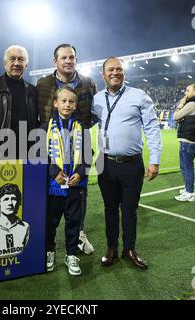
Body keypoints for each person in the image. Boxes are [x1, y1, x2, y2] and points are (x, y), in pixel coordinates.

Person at [92, 57, 162, 270]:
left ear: (124, 73)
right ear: (103, 75)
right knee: (110, 208)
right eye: (110, 70)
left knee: (129, 210)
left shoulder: (139, 96)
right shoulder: (95, 99)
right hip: (105, 162)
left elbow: (151, 127)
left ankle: (129, 249)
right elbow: (83, 123)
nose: (115, 73)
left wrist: (155, 159)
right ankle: (111, 248)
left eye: (119, 69)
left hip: (132, 164)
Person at [36, 43, 97, 256]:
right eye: (64, 57)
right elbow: (36, 112)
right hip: (52, 145)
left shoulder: (88, 83)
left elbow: (96, 111)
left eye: (72, 57)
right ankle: (48, 246)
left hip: (78, 142)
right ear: (56, 61)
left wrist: (83, 129)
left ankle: (78, 234)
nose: (68, 61)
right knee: (51, 209)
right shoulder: (43, 83)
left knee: (78, 198)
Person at [41, 86, 91, 276]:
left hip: (75, 185)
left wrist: (81, 172)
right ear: (55, 103)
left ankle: (71, 254)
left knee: (73, 222)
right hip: (53, 186)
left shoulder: (82, 127)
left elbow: (88, 154)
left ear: (75, 104)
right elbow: (40, 155)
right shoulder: (45, 127)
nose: (67, 104)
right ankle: (49, 251)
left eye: (71, 101)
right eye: (63, 101)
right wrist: (53, 171)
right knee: (50, 223)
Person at [0, 45, 39, 162]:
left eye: (21, 59)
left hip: (28, 154)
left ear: (26, 64)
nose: (16, 63)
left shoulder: (32, 90)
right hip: (1, 153)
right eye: (12, 59)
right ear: (5, 63)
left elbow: (35, 123)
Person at [173, 84, 195, 202]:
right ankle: (188, 188)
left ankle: (190, 193)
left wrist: (181, 104)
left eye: (188, 90)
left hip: (188, 140)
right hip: (190, 139)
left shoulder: (192, 104)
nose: (185, 93)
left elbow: (176, 116)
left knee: (187, 167)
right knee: (185, 166)